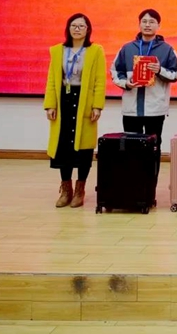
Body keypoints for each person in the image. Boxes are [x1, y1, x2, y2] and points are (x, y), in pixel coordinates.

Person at [111, 9, 177, 184]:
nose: (147, 25)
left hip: (155, 109)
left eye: (152, 22)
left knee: (153, 148)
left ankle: (150, 185)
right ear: (139, 24)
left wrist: (160, 70)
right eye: (144, 21)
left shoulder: (167, 49)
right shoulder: (127, 48)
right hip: (131, 108)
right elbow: (115, 72)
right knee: (131, 146)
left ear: (159, 25)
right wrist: (126, 83)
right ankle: (133, 184)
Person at [43, 13, 106, 208]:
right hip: (64, 99)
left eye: (81, 26)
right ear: (68, 28)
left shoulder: (95, 51)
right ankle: (66, 189)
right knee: (63, 145)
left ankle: (80, 189)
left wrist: (97, 106)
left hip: (84, 100)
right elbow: (52, 80)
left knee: (84, 147)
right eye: (73, 25)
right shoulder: (57, 51)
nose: (77, 29)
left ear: (88, 30)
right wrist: (50, 104)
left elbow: (99, 80)